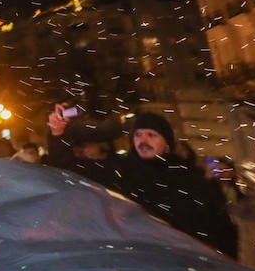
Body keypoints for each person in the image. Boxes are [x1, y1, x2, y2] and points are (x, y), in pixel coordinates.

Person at [48, 106, 237, 257]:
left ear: (167, 143)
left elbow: (220, 225)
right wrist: (57, 134)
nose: (143, 140)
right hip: (142, 264)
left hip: (190, 265)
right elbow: (69, 168)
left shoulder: (190, 177)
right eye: (138, 135)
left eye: (151, 135)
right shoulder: (120, 170)